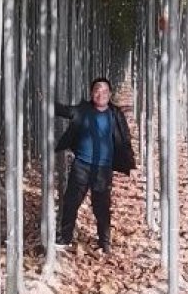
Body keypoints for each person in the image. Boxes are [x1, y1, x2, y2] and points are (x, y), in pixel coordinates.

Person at [54, 77, 135, 255]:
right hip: (81, 165)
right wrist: (44, 99)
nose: (101, 94)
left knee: (101, 207)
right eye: (97, 90)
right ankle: (65, 238)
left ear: (110, 94)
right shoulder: (83, 111)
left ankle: (105, 244)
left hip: (102, 169)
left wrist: (128, 162)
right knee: (71, 202)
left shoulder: (115, 115)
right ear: (91, 93)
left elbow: (124, 139)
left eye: (105, 91)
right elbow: (63, 110)